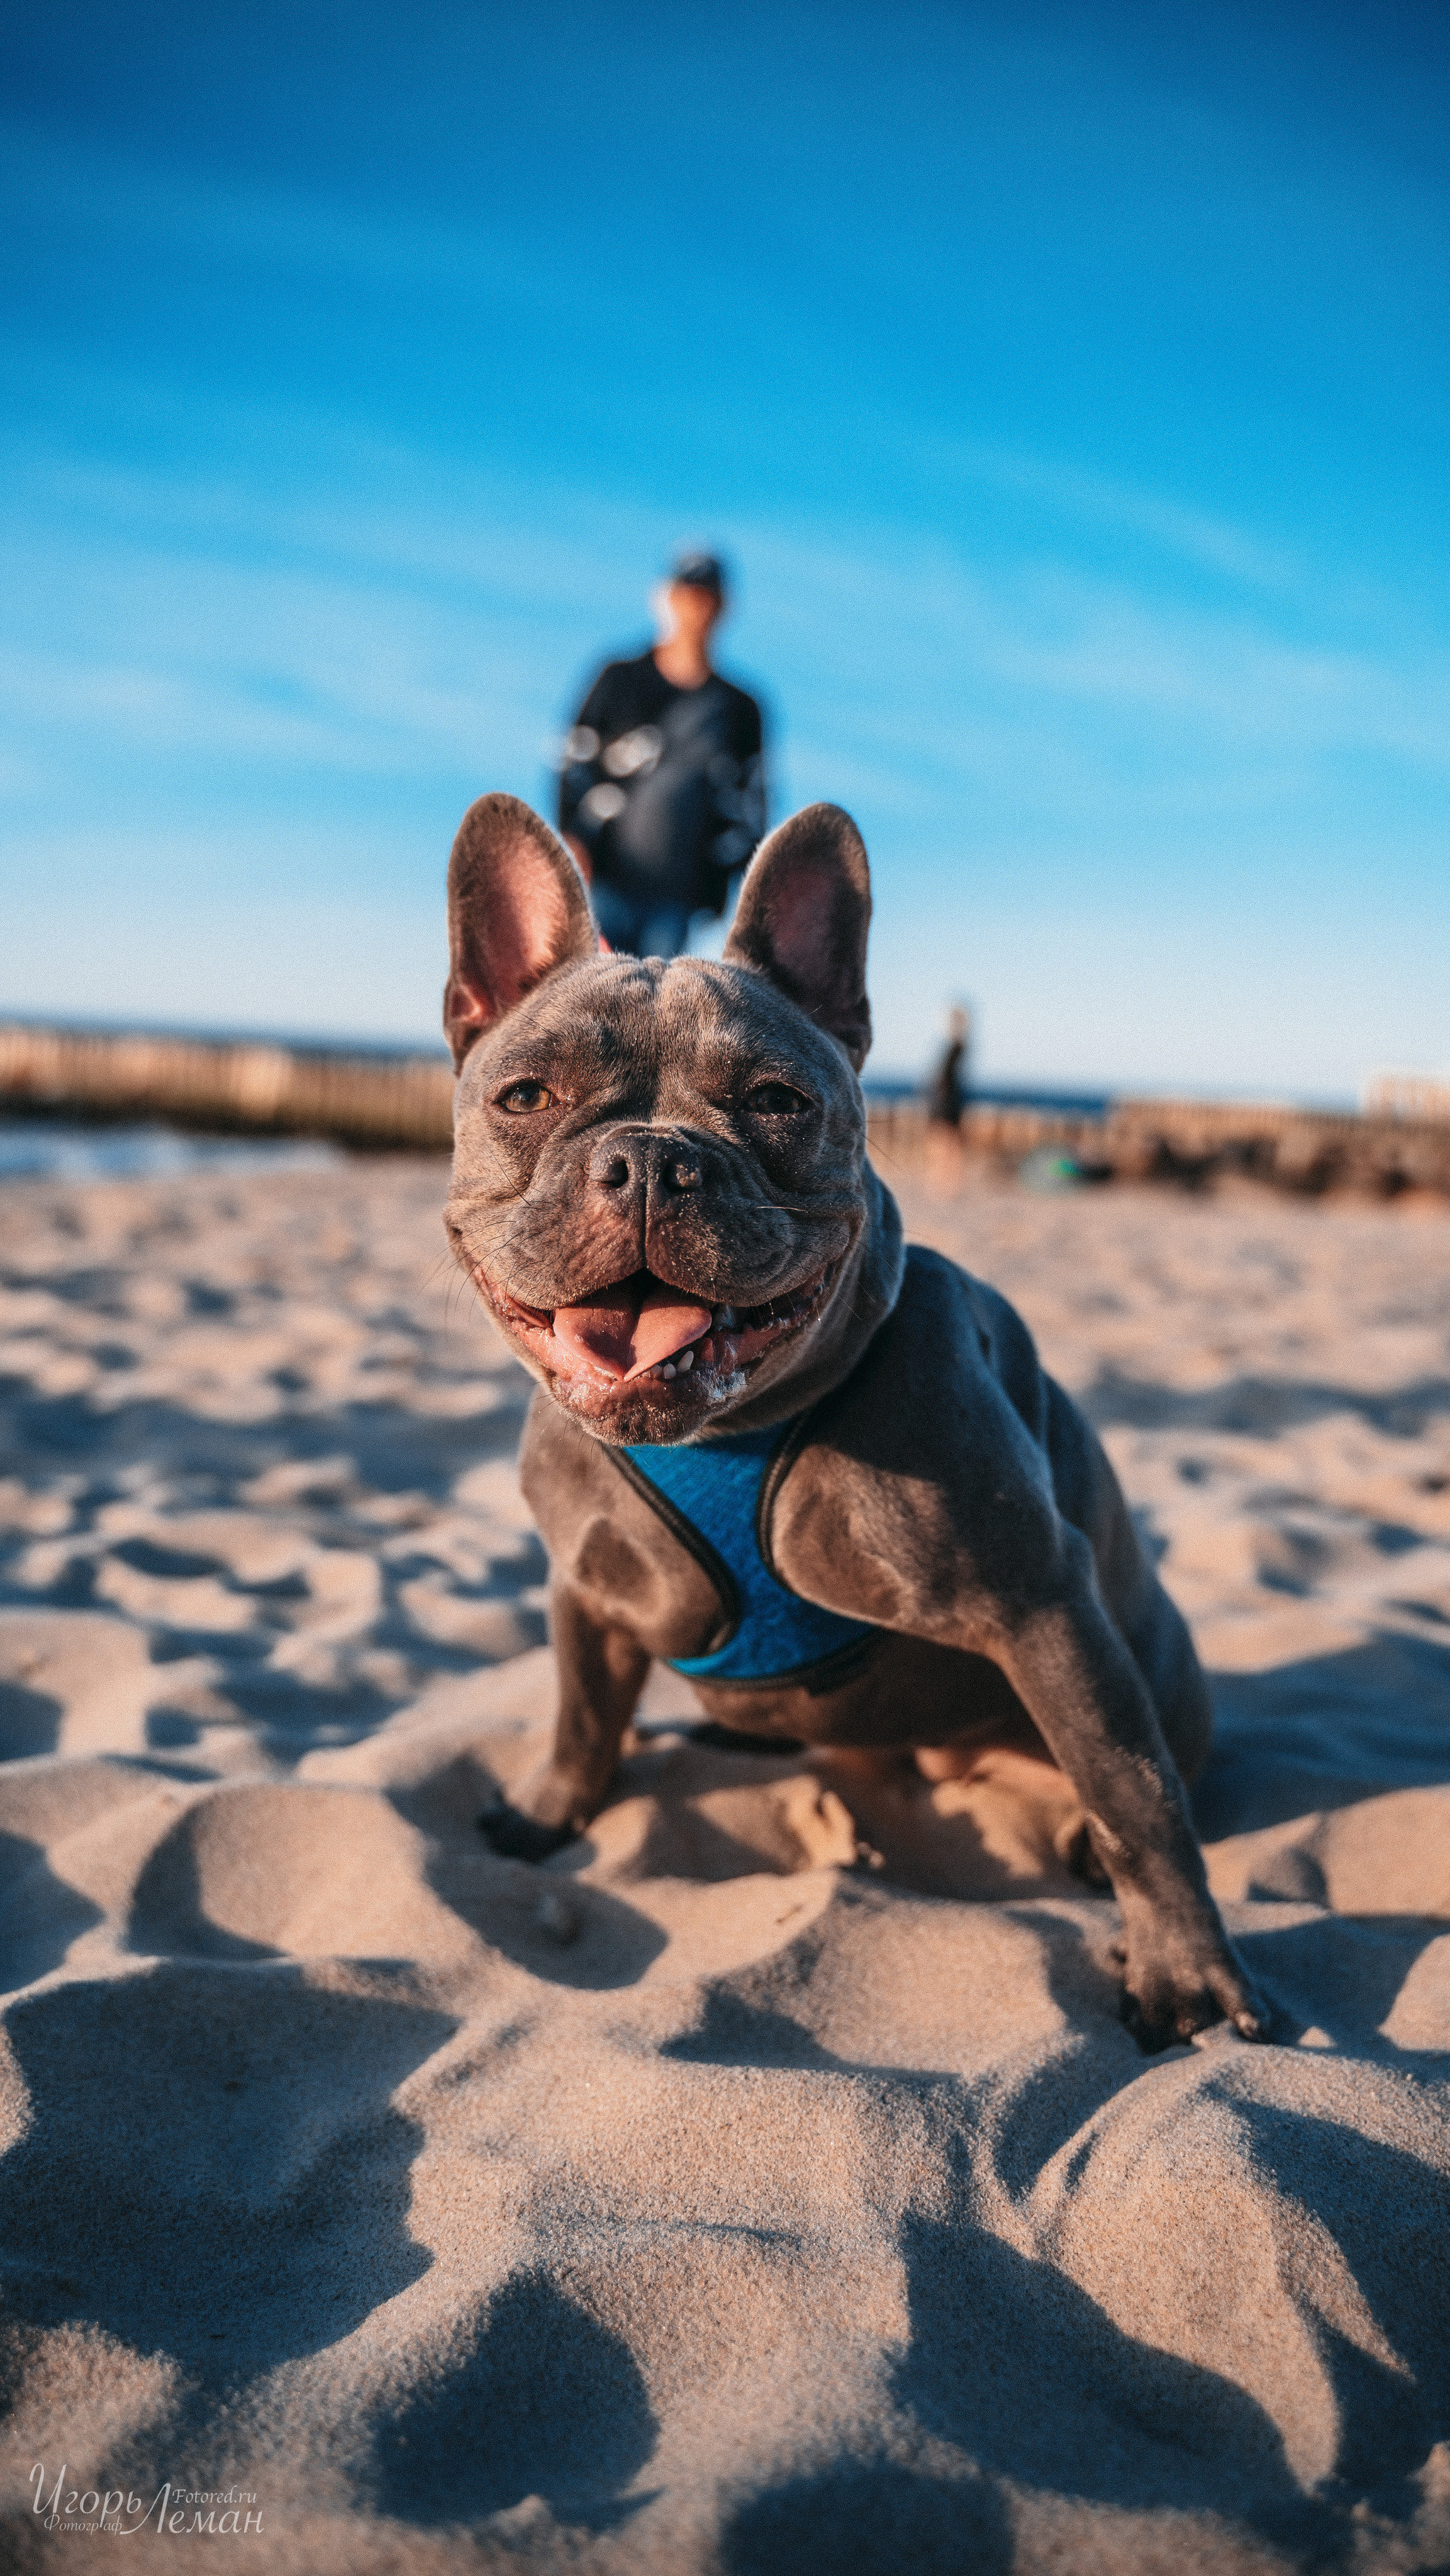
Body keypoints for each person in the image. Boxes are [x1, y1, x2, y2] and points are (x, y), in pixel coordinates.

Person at [557, 552, 767, 958]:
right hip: (606, 879)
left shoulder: (739, 710)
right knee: (595, 1000)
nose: (696, 608)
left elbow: (752, 803)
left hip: (680, 894)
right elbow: (574, 759)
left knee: (655, 1010)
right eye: (688, 595)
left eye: (707, 597)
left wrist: (731, 883)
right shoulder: (620, 681)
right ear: (668, 598)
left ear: (723, 608)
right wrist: (575, 841)